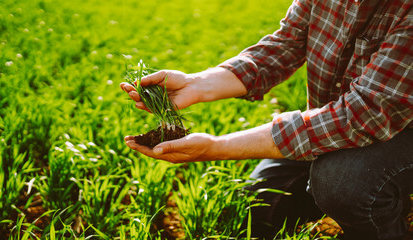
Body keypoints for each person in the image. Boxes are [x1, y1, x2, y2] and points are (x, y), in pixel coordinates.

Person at [121, 0, 413, 239]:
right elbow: (282, 47)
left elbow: (363, 114)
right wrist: (196, 84)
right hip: (327, 121)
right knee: (254, 206)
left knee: (342, 183)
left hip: (402, 132)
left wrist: (214, 148)